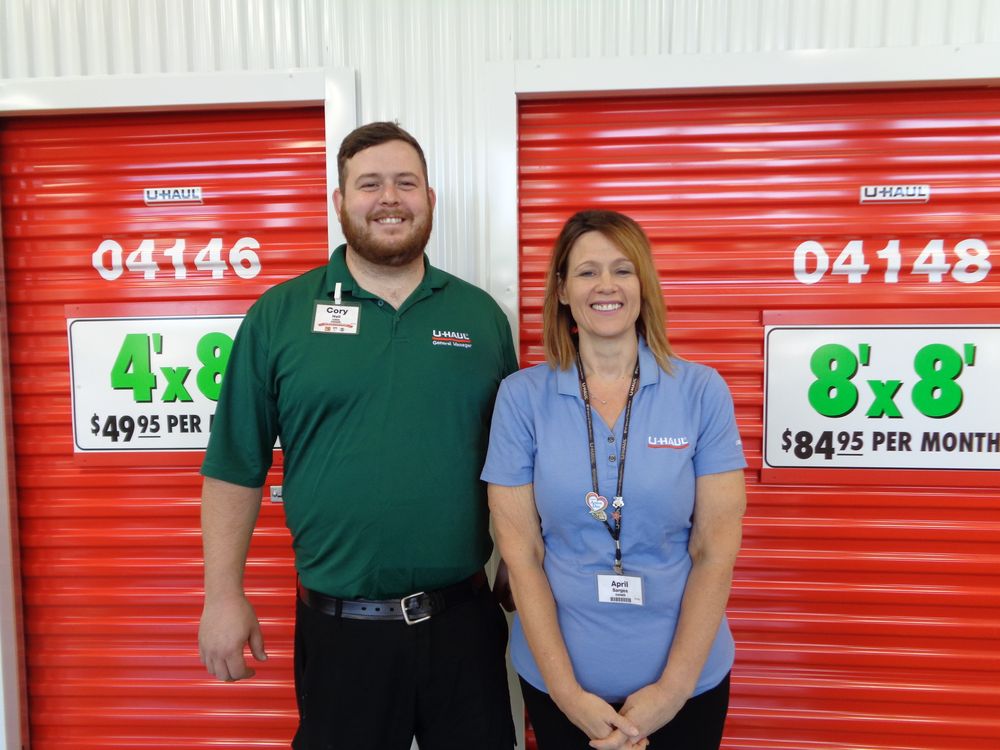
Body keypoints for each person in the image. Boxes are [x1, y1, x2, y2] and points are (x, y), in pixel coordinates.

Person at [198, 121, 518, 750]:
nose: (389, 198)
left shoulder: (479, 316)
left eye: (406, 183)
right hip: (342, 633)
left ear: (430, 198)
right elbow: (235, 465)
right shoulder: (279, 316)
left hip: (464, 623)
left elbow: (516, 457)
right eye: (369, 184)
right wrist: (222, 596)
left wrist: (517, 556)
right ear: (339, 201)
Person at [482, 210, 747, 750]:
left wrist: (671, 693)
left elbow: (715, 550)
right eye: (587, 272)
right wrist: (567, 695)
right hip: (561, 691)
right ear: (562, 290)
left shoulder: (701, 392)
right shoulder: (521, 399)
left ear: (643, 285)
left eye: (623, 270)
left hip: (687, 689)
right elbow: (521, 554)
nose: (606, 285)